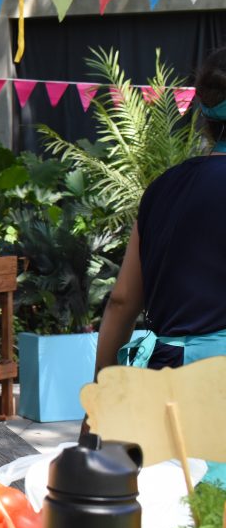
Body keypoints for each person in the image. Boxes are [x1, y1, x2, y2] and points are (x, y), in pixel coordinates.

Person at [93, 46, 226, 485]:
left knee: (166, 517)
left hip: (163, 383)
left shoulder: (162, 189)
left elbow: (122, 301)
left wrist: (103, 389)